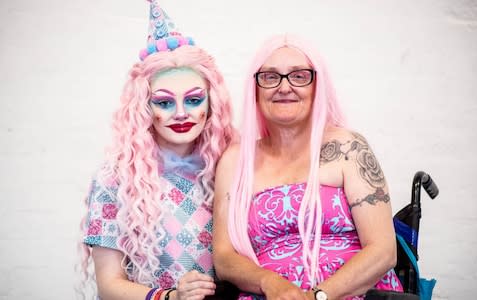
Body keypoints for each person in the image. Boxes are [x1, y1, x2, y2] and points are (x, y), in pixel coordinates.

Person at [212, 34, 403, 300]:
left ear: (317, 86)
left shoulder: (348, 148)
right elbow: (224, 258)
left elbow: (383, 250)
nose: (284, 87)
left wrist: (318, 296)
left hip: (354, 292)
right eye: (270, 77)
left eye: (299, 76)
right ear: (255, 90)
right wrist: (271, 283)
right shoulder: (235, 160)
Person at [77, 1, 234, 299]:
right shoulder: (117, 179)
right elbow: (109, 286)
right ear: (144, 108)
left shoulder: (228, 168)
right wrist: (172, 297)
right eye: (164, 102)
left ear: (211, 103)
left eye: (193, 99)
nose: (180, 113)